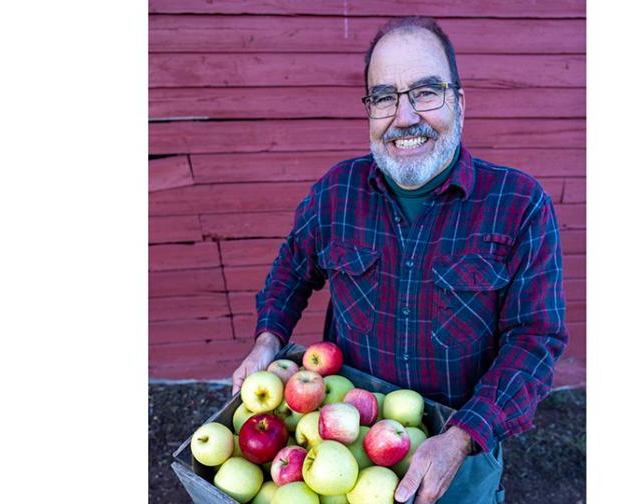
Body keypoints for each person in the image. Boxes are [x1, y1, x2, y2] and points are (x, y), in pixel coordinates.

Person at [231, 16, 568, 504]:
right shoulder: (337, 192)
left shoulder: (519, 204)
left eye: (426, 92)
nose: (405, 116)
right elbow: (292, 268)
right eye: (385, 97)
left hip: (460, 453)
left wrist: (462, 437)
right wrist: (267, 341)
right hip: (343, 450)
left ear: (459, 102)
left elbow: (536, 339)